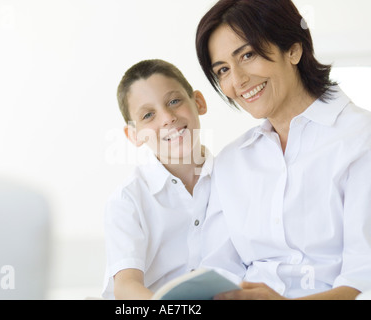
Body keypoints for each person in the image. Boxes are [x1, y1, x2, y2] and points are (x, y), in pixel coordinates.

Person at [195, 0, 371, 299]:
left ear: (293, 49)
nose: (237, 81)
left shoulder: (360, 138)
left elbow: (362, 281)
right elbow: (219, 271)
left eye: (247, 55)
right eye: (223, 70)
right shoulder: (230, 161)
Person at [102, 59, 212, 299]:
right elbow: (126, 287)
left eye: (174, 101)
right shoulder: (128, 200)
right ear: (134, 135)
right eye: (149, 115)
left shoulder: (235, 175)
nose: (167, 118)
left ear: (199, 103)